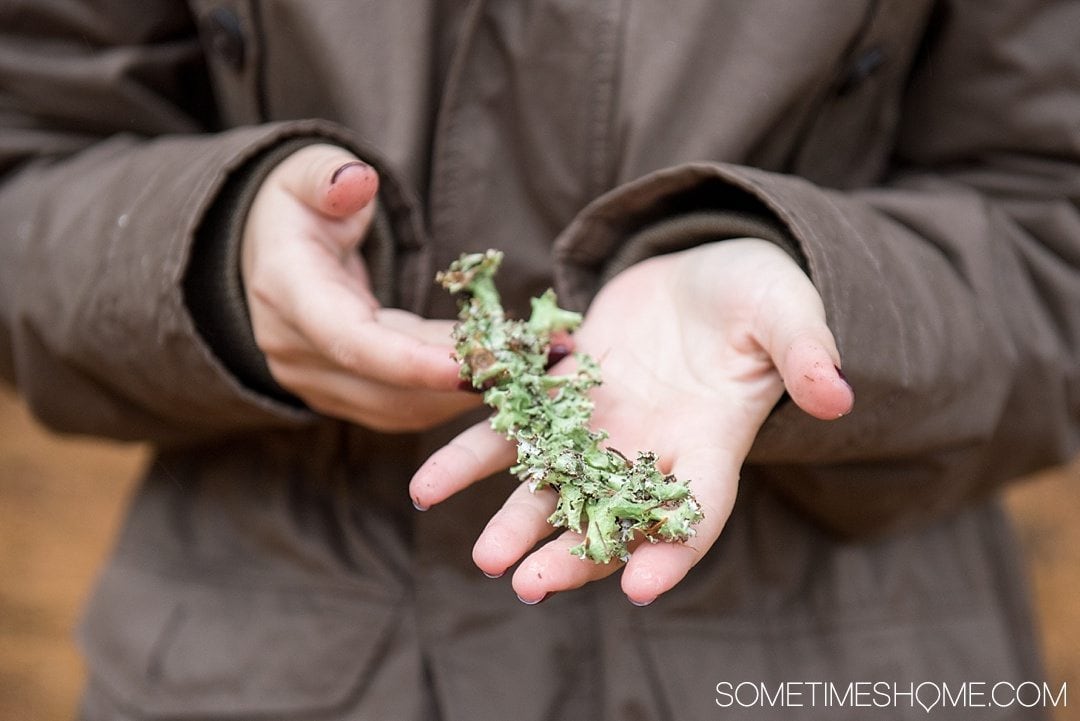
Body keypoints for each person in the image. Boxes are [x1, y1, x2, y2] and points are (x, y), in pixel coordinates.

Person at [1, 1, 1077, 719]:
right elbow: (30, 158)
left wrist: (810, 281)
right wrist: (209, 251)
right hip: (255, 666)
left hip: (835, 665)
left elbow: (1052, 221)